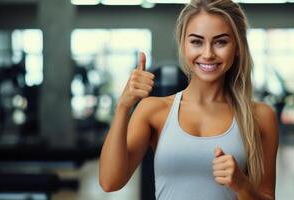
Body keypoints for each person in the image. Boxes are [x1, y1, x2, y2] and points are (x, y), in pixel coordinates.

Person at [99, 0, 279, 199]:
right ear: (183, 45)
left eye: (221, 42)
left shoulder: (261, 117)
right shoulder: (153, 110)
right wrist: (124, 105)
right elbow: (110, 182)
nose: (208, 54)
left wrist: (243, 185)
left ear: (237, 47)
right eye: (196, 42)